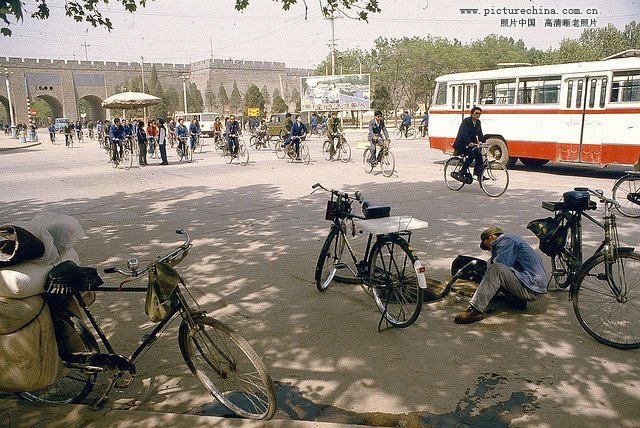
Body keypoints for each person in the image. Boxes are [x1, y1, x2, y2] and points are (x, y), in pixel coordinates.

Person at [454, 227, 547, 324]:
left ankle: (475, 311)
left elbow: (500, 267)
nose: (489, 249)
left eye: (487, 245)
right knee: (491, 265)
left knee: (496, 268)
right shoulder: (510, 241)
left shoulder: (506, 240)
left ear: (490, 237)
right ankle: (516, 300)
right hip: (530, 283)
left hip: (531, 289)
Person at [452, 106, 485, 184]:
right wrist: (468, 143)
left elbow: (480, 133)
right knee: (472, 155)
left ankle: (478, 174)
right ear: (472, 114)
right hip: (462, 144)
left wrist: (483, 142)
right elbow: (464, 134)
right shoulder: (466, 121)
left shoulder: (478, 122)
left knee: (479, 155)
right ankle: (461, 173)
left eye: (479, 114)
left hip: (471, 144)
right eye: (476, 113)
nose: (478, 115)